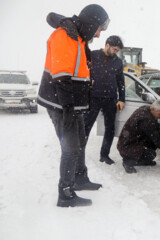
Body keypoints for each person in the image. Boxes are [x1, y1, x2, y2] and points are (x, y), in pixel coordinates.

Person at [37, 4, 110, 207]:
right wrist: (69, 110)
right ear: (90, 22)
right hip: (60, 103)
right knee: (70, 147)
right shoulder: (65, 35)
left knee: (80, 141)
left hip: (71, 104)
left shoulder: (77, 37)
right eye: (98, 28)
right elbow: (61, 77)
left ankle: (79, 178)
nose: (98, 34)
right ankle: (65, 193)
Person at [83, 35, 125, 165]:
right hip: (93, 97)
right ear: (107, 45)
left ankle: (104, 155)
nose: (116, 52)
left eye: (118, 50)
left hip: (110, 99)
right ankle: (78, 153)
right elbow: (83, 70)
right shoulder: (93, 55)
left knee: (110, 128)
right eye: (115, 49)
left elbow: (121, 82)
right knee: (86, 126)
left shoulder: (118, 62)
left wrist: (121, 99)